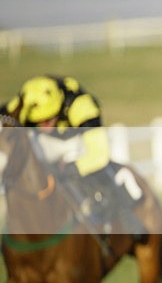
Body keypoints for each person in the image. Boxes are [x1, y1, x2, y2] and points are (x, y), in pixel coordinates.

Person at [1, 75, 145, 239]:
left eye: (48, 119)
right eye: (39, 121)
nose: (44, 125)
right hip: (45, 144)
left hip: (78, 145)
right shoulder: (23, 102)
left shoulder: (82, 106)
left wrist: (73, 168)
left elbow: (99, 154)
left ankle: (126, 215)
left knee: (103, 175)